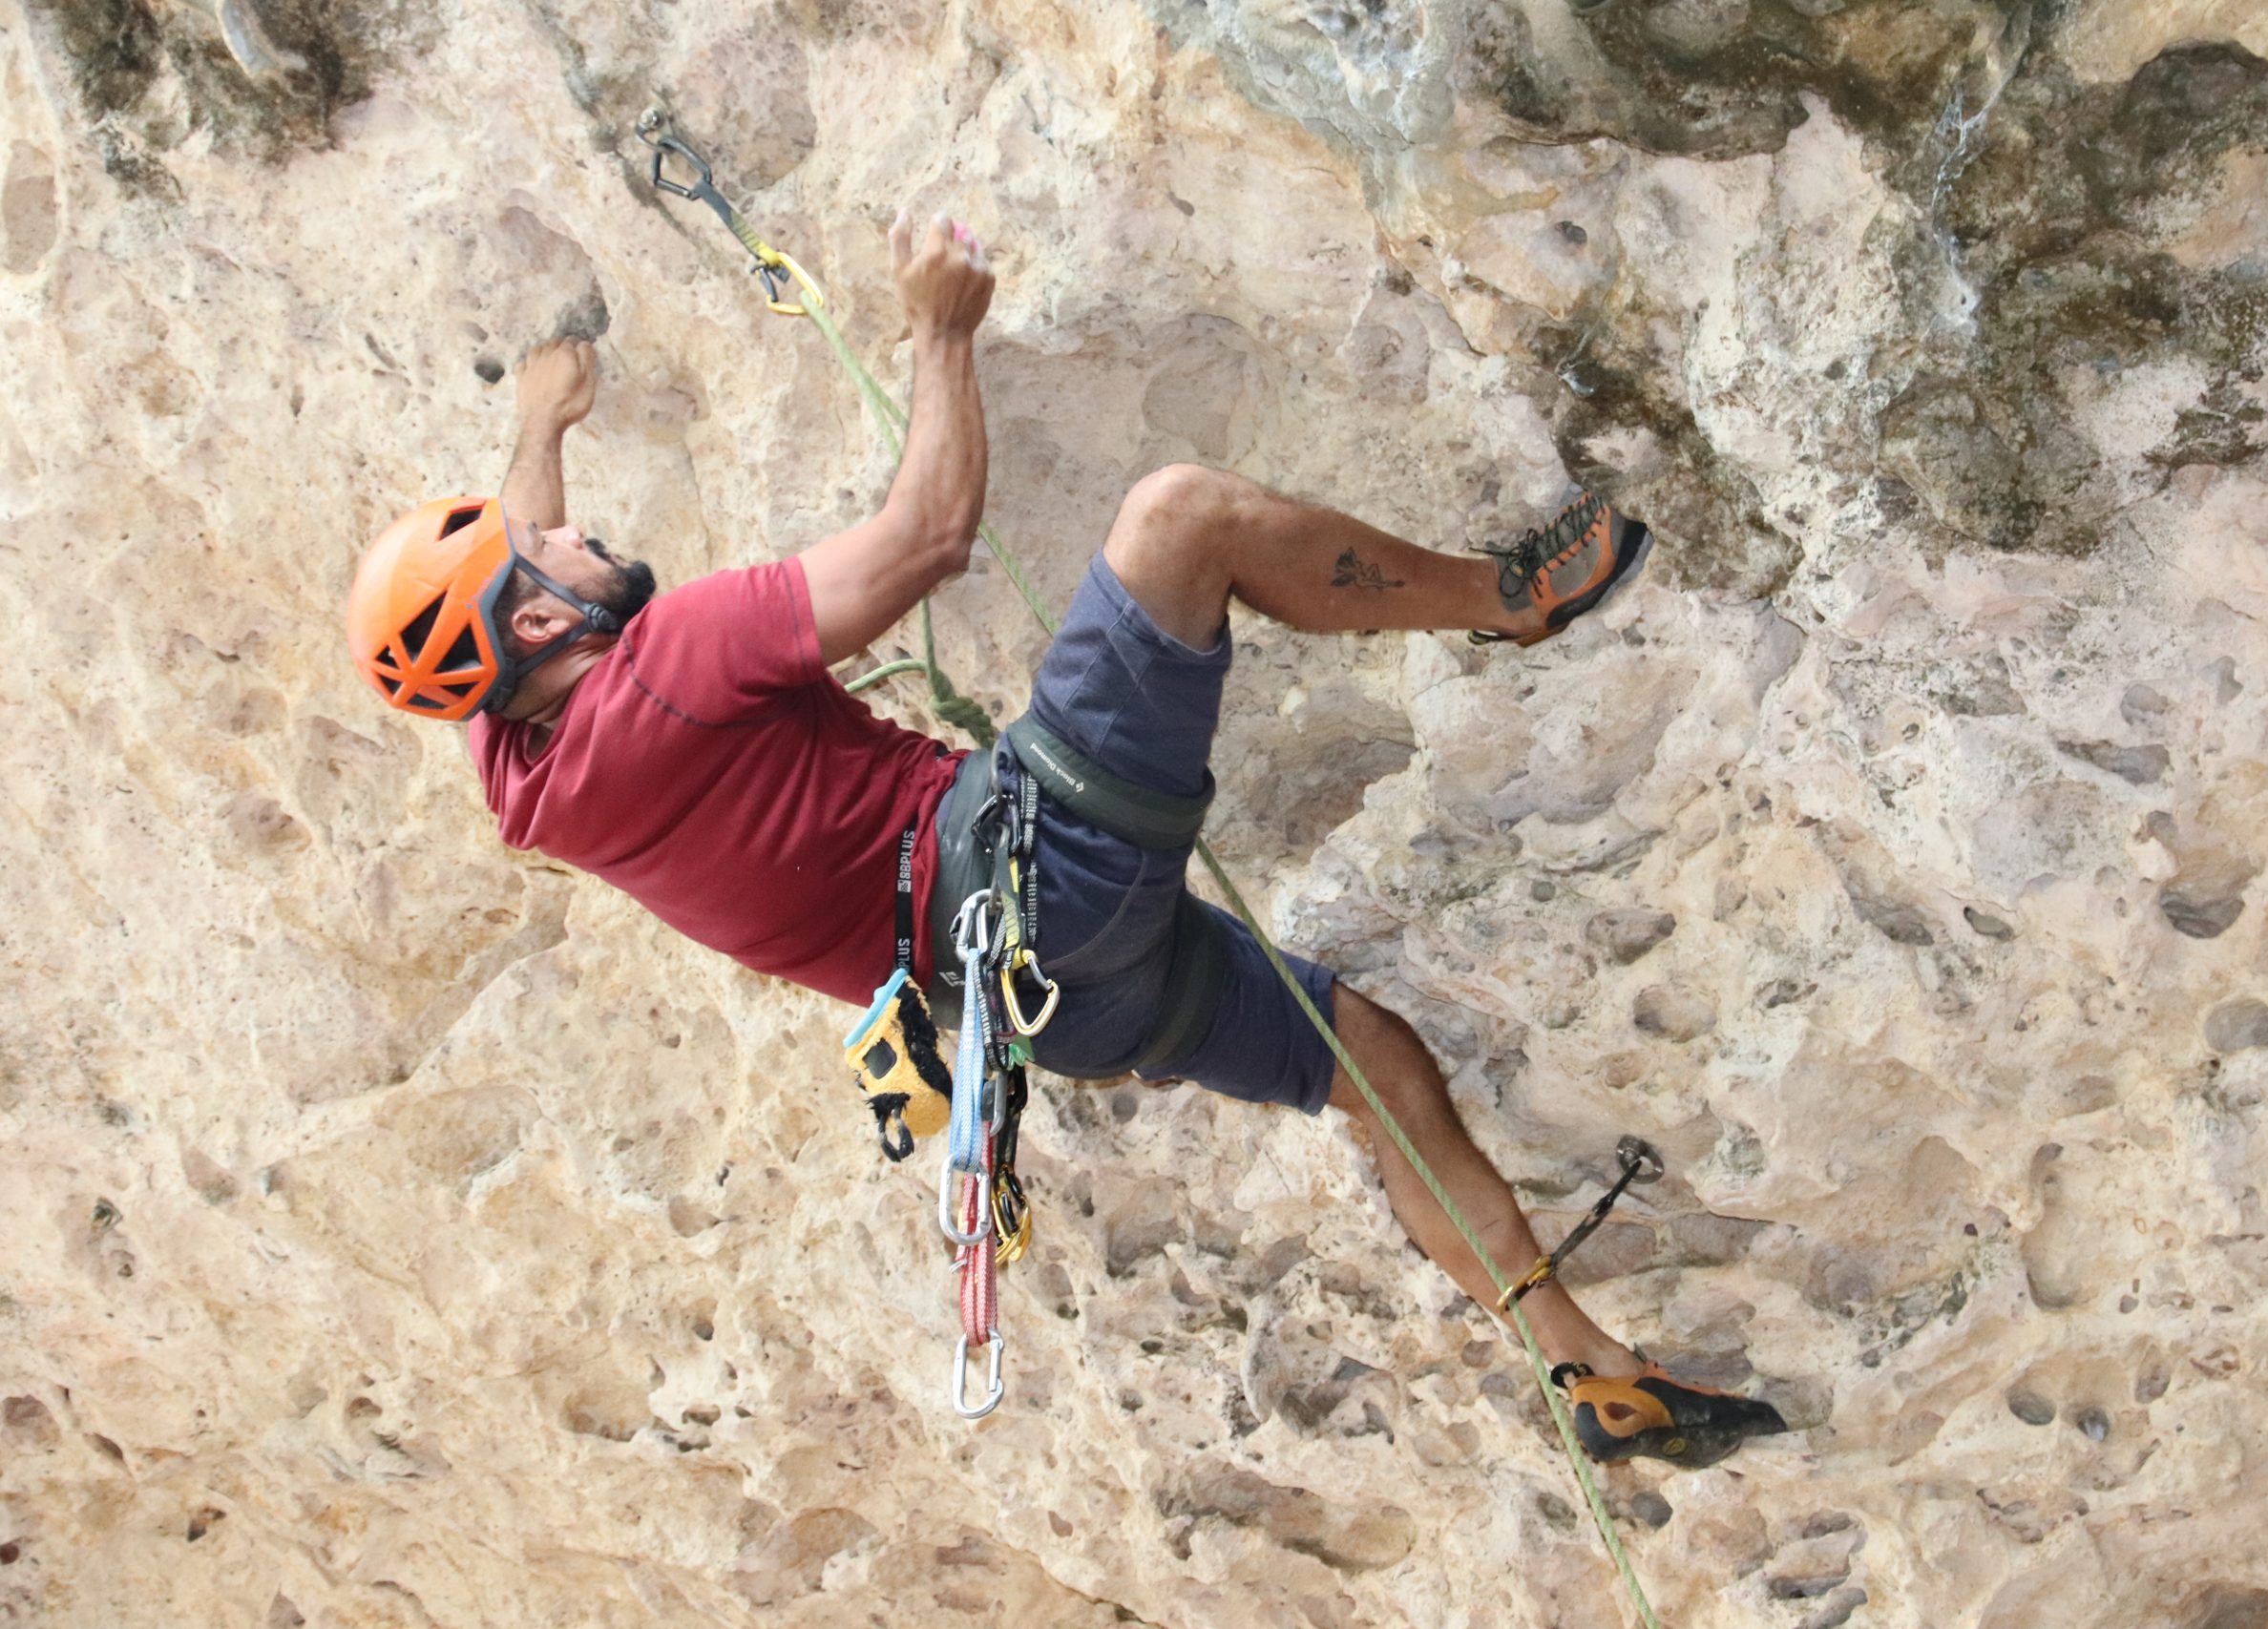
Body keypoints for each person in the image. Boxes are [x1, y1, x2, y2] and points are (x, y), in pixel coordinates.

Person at [345, 206, 1784, 1467]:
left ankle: (1585, 1370)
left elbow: (510, 589)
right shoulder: (674, 657)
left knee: (1375, 1063)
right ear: (543, 619)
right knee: (1179, 520)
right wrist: (940, 332)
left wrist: (538, 430)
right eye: (552, 555)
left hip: (1040, 1015)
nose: (579, 538)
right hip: (1035, 871)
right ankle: (1507, 601)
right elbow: (922, 541)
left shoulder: (526, 784)